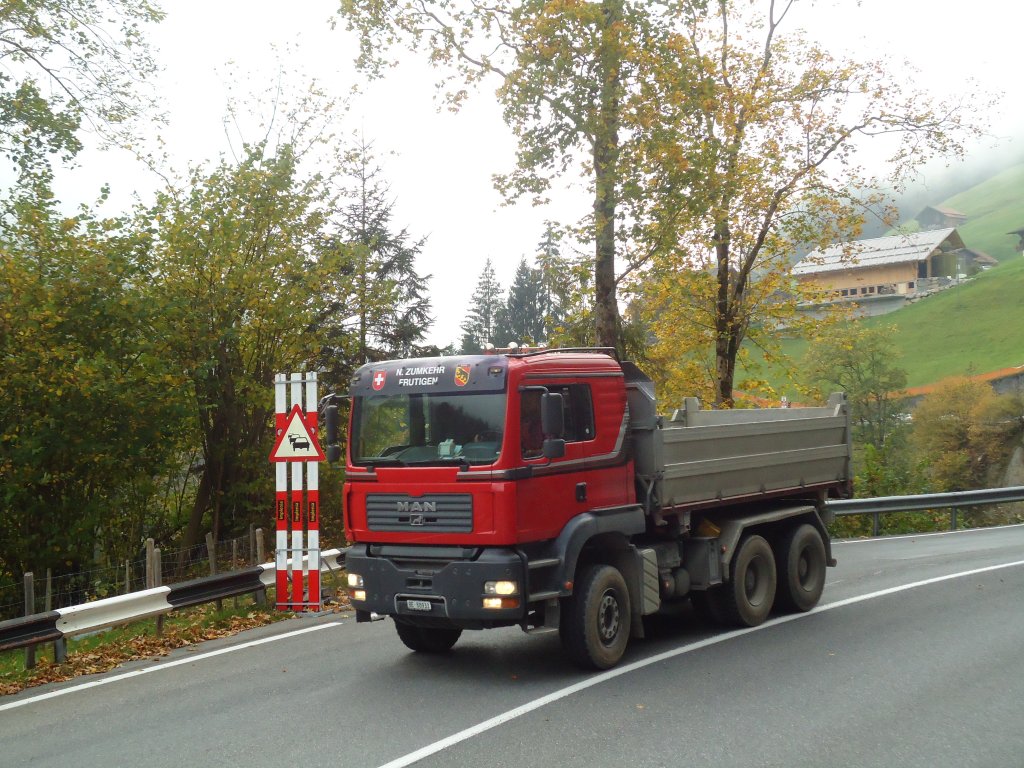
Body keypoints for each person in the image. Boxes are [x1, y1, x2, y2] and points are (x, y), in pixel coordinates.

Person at [520, 390, 544, 458]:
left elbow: (552, 446)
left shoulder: (544, 424)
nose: (525, 405)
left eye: (529, 401)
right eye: (525, 401)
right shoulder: (517, 423)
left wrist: (532, 452)